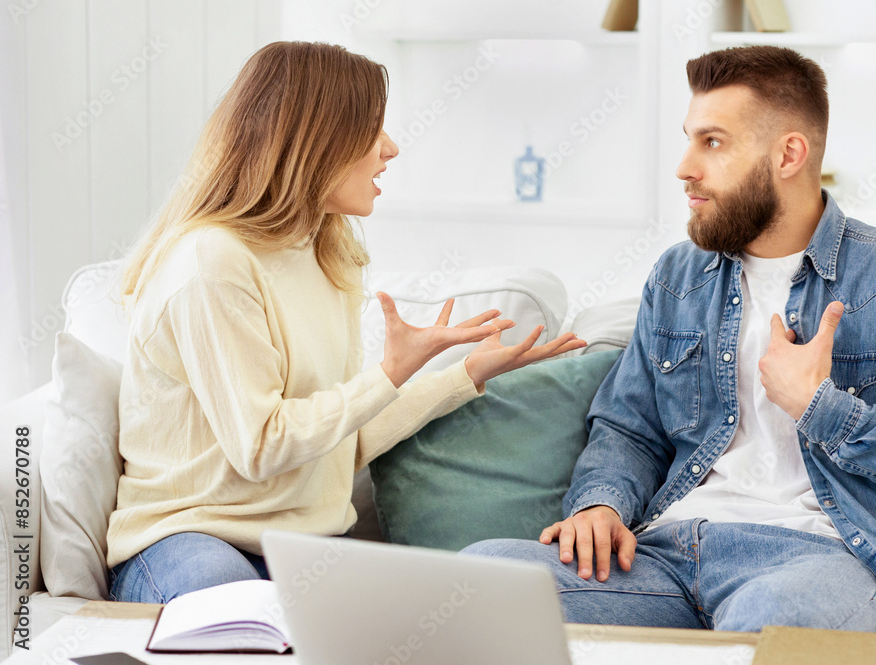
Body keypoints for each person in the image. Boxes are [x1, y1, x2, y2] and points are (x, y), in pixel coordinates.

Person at [462, 45, 876, 633]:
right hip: (664, 553)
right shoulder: (678, 276)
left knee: (770, 621)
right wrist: (601, 502)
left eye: (712, 142)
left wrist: (824, 411)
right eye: (690, 138)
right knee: (479, 581)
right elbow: (630, 427)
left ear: (789, 153)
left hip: (817, 557)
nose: (684, 167)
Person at [106, 41, 586, 603]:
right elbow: (261, 448)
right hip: (189, 536)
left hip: (302, 545)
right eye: (372, 130)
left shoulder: (324, 253)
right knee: (238, 623)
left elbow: (338, 445)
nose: (391, 148)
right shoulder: (212, 262)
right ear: (314, 141)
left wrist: (467, 375)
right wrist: (389, 372)